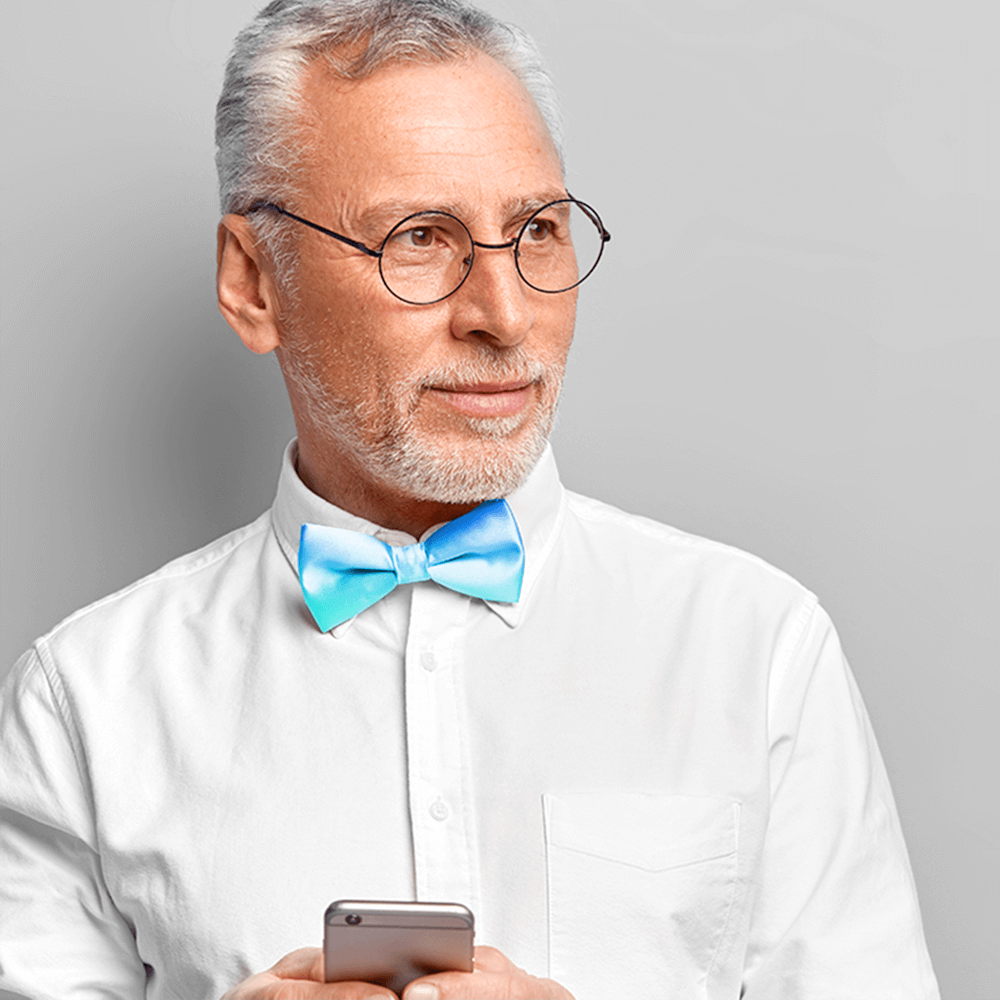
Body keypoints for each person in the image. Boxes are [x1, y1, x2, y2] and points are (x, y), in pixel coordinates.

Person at [0, 1, 940, 997]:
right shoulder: (85, 704)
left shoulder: (759, 650)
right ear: (252, 284)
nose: (504, 313)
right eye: (418, 238)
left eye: (536, 229)